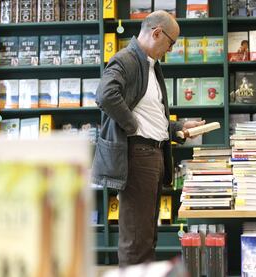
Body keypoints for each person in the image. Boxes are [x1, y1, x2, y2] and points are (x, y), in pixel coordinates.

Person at [91, 10, 205, 267]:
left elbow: (151, 116)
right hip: (138, 156)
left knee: (146, 235)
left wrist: (178, 126)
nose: (171, 49)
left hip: (151, 156)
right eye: (171, 43)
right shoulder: (128, 59)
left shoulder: (150, 65)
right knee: (136, 238)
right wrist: (132, 126)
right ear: (156, 33)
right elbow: (106, 95)